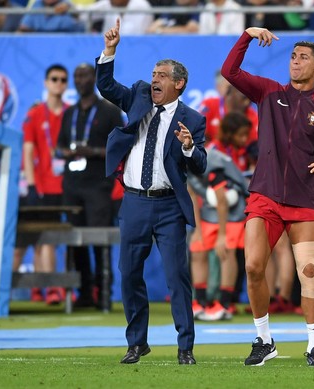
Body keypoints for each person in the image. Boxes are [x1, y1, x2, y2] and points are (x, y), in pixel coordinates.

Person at [221, 27, 314, 367]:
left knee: (308, 271)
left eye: (303, 58)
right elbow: (230, 72)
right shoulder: (268, 92)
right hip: (264, 195)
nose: (295, 62)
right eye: (293, 56)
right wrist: (247, 36)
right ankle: (264, 340)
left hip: (303, 201)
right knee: (253, 267)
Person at [96, 19, 207, 365]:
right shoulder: (140, 96)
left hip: (169, 205)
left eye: (162, 74)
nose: (154, 78)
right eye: (154, 73)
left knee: (177, 278)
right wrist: (110, 50)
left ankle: (185, 347)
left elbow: (200, 164)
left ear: (179, 83)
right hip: (133, 202)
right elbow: (107, 87)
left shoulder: (194, 119)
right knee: (128, 274)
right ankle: (136, 343)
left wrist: (189, 147)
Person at [56, 63, 124, 310]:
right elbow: (59, 146)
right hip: (72, 185)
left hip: (98, 186)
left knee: (99, 240)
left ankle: (104, 294)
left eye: (83, 75)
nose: (79, 79)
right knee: (76, 241)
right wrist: (68, 152)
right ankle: (83, 293)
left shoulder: (109, 111)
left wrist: (92, 151)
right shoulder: (69, 113)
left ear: (94, 78)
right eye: (76, 75)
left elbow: (120, 146)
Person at [14, 63, 69, 305]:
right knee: (30, 238)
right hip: (39, 186)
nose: (58, 83)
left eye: (62, 80)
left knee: (48, 237)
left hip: (63, 185)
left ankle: (48, 287)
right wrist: (33, 185)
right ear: (46, 83)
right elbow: (27, 152)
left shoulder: (71, 112)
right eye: (54, 79)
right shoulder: (35, 114)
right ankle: (43, 287)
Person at [189, 112, 251, 321]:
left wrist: (223, 235)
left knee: (225, 252)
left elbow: (222, 199)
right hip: (208, 209)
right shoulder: (182, 162)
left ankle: (224, 303)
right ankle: (200, 301)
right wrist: (197, 229)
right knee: (197, 250)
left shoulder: (212, 161)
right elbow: (190, 195)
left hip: (231, 210)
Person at [77, 0, 153, 34]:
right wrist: (68, 6)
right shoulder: (108, 3)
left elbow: (143, 33)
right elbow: (84, 14)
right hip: (109, 47)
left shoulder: (142, 6)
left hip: (134, 46)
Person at [18, 0, 85, 32]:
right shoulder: (37, 4)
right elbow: (23, 27)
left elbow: (81, 28)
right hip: (40, 46)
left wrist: (72, 9)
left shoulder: (68, 6)